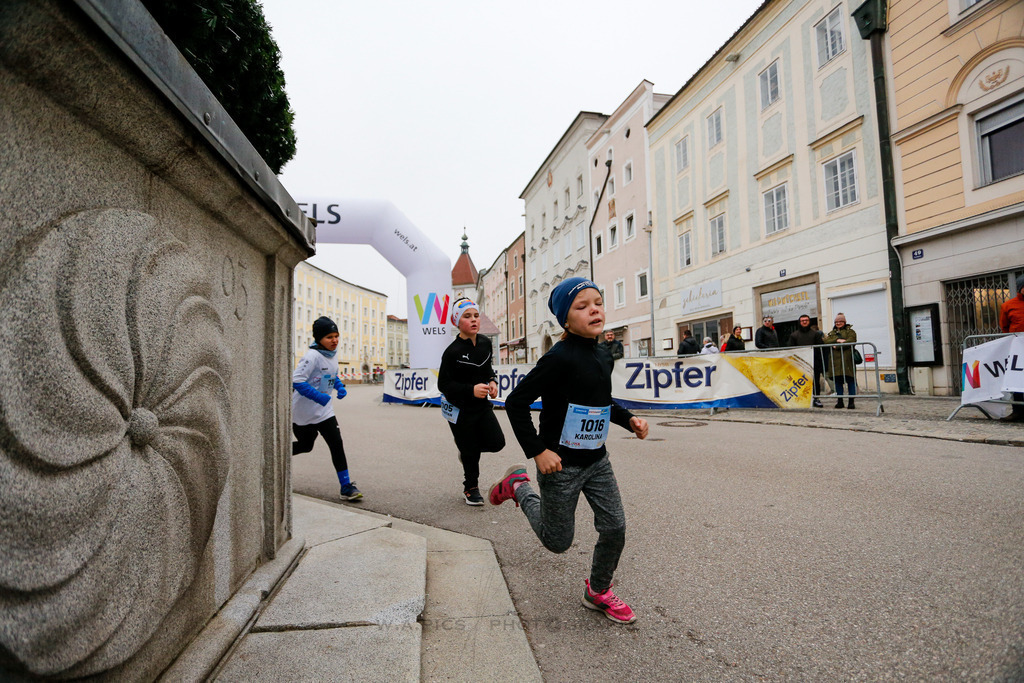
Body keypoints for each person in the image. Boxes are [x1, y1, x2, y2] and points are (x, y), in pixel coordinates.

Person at [494, 277, 649, 625]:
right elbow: (516, 403)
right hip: (559, 465)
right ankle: (518, 486)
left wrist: (629, 420)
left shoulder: (603, 351)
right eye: (582, 306)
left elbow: (600, 401)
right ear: (565, 319)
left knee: (615, 527)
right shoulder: (558, 358)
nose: (594, 309)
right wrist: (537, 451)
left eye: (598, 302)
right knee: (557, 542)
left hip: (597, 461)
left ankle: (598, 590)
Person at [438, 298, 506, 505]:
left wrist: (492, 381)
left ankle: (467, 450)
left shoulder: (485, 343)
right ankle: (471, 488)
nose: (474, 320)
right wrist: (470, 390)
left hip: (481, 405)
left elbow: (486, 368)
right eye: (467, 316)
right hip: (459, 408)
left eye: (476, 315)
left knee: (497, 443)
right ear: (457, 322)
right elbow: (444, 385)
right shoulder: (452, 352)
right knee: (470, 452)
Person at [292, 316, 361, 501]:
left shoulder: (333, 354)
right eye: (330, 337)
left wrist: (340, 387)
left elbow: (331, 375)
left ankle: (346, 487)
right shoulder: (312, 356)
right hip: (302, 413)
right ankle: (277, 454)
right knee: (306, 446)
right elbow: (297, 380)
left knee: (336, 443)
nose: (335, 340)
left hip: (324, 412)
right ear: (319, 338)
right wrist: (318, 396)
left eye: (337, 335)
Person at [999, 274, 1024, 421]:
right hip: (1018, 349)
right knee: (1017, 378)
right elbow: (1004, 326)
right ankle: (1018, 411)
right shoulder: (1008, 306)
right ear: (1020, 288)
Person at [788, 314, 825, 408]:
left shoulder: (815, 334)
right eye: (802, 320)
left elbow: (820, 349)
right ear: (799, 322)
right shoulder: (794, 335)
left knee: (815, 381)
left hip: (814, 362)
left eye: (806, 320)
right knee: (800, 382)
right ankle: (801, 399)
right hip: (800, 364)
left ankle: (816, 398)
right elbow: (791, 350)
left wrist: (820, 362)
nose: (804, 322)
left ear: (809, 321)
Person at [823, 312, 858, 409]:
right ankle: (840, 401)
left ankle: (851, 402)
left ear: (844, 322)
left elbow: (851, 341)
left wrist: (837, 346)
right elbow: (826, 341)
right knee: (838, 382)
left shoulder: (851, 332)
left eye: (840, 321)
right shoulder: (832, 333)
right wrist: (839, 340)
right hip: (835, 361)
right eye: (836, 322)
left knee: (850, 381)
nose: (838, 323)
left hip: (847, 360)